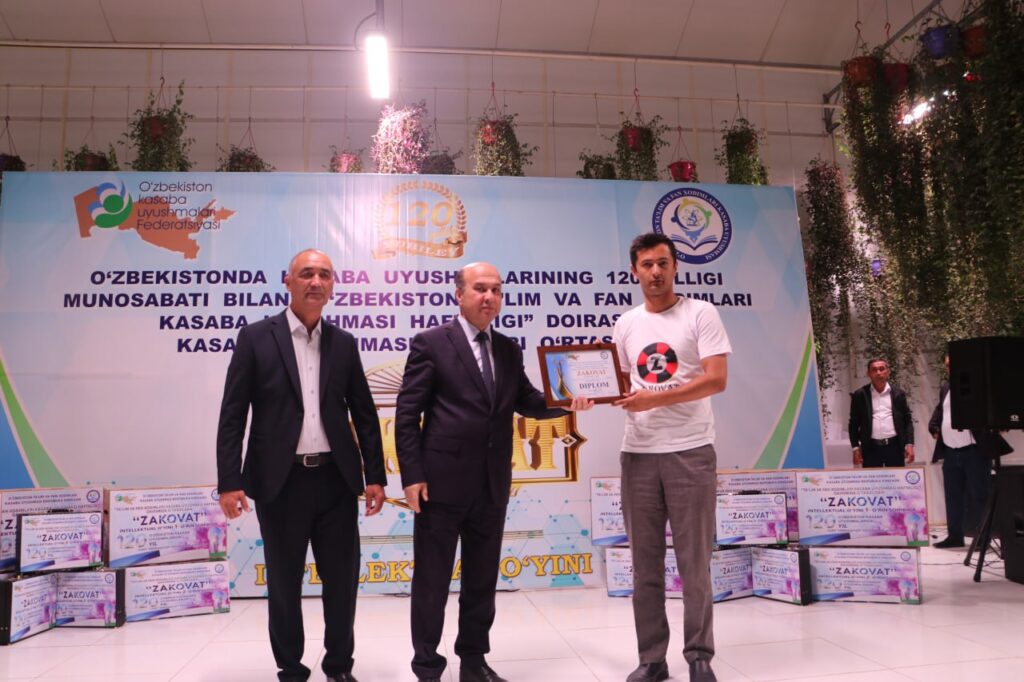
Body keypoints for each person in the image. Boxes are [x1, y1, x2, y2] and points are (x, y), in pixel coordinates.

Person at [395, 262, 592, 682]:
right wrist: (411, 475)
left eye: (497, 290)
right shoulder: (431, 343)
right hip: (440, 486)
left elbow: (527, 401)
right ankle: (427, 666)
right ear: (459, 294)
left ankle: (474, 661)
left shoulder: (507, 348)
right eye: (480, 288)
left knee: (482, 581)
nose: (489, 297)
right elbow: (408, 414)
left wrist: (566, 400)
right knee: (431, 581)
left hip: (491, 485)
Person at [216, 249, 387, 682]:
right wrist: (229, 481)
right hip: (281, 483)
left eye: (324, 275)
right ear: (288, 281)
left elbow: (365, 415)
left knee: (342, 581)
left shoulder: (344, 343)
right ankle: (291, 669)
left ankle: (339, 667)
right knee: (284, 583)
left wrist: (375, 477)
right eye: (307, 273)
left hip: (336, 481)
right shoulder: (256, 338)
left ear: (333, 286)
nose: (316, 281)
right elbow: (233, 415)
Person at [611, 232, 730, 682]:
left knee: (694, 563)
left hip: (690, 451)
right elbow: (620, 386)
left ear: (676, 266)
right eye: (647, 265)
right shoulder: (626, 324)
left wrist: (654, 399)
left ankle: (699, 656)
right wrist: (583, 395)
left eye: (663, 263)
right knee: (645, 567)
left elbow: (716, 379)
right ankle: (652, 659)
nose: (656, 272)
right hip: (638, 453)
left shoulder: (701, 313)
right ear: (634, 271)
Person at [929, 354, 1012, 548]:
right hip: (951, 452)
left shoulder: (977, 387)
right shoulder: (946, 388)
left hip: (974, 451)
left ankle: (984, 538)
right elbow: (940, 412)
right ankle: (955, 536)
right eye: (948, 366)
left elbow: (993, 408)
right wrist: (934, 427)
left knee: (980, 495)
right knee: (953, 496)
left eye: (954, 365)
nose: (950, 369)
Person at [848, 359, 915, 468]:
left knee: (896, 478)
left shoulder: (898, 394)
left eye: (881, 369)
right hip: (870, 448)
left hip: (895, 446)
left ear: (888, 371)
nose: (878, 373)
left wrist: (909, 444)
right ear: (868, 373)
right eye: (874, 370)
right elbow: (853, 424)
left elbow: (907, 421)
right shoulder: (860, 395)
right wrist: (855, 448)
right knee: (872, 479)